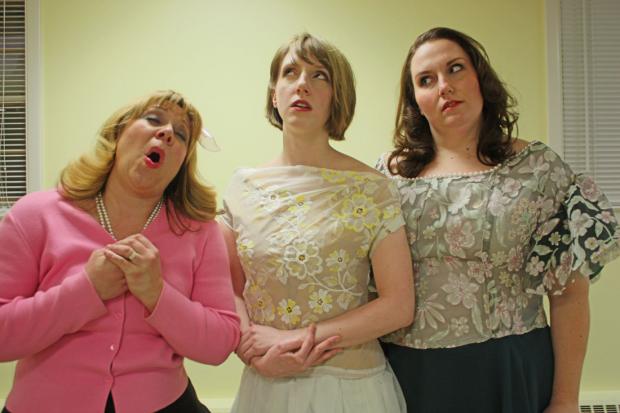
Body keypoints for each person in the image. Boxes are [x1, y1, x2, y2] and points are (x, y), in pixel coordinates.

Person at [376, 27, 620, 413]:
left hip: (511, 365)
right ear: (416, 101)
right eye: (426, 80)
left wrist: (566, 399)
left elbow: (570, 294)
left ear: (480, 78)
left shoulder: (539, 170)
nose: (444, 87)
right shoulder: (387, 178)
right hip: (409, 370)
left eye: (455, 69)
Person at [0, 90, 241, 413]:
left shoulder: (200, 231)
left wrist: (157, 293)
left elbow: (220, 344)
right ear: (118, 134)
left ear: (182, 164)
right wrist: (86, 291)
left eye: (181, 135)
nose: (167, 132)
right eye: (154, 119)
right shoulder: (35, 214)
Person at [218, 33, 414, 413]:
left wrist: (294, 339)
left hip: (352, 390)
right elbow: (228, 289)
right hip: (267, 387)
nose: (302, 84)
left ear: (336, 97)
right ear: (274, 94)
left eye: (319, 75)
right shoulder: (242, 187)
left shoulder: (373, 189)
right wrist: (251, 350)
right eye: (290, 72)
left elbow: (398, 305)